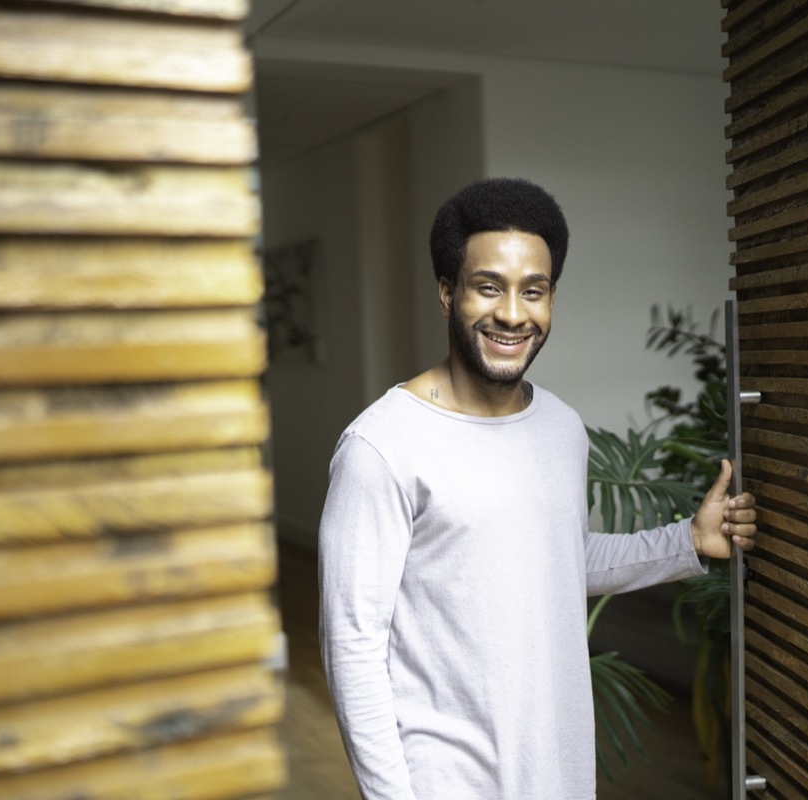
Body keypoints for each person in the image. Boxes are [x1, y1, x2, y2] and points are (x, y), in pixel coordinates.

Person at [318, 177, 758, 800]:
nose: (513, 314)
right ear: (447, 292)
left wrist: (688, 540)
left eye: (534, 291)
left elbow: (559, 562)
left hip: (559, 770)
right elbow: (352, 646)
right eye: (488, 287)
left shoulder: (560, 427)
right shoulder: (382, 446)